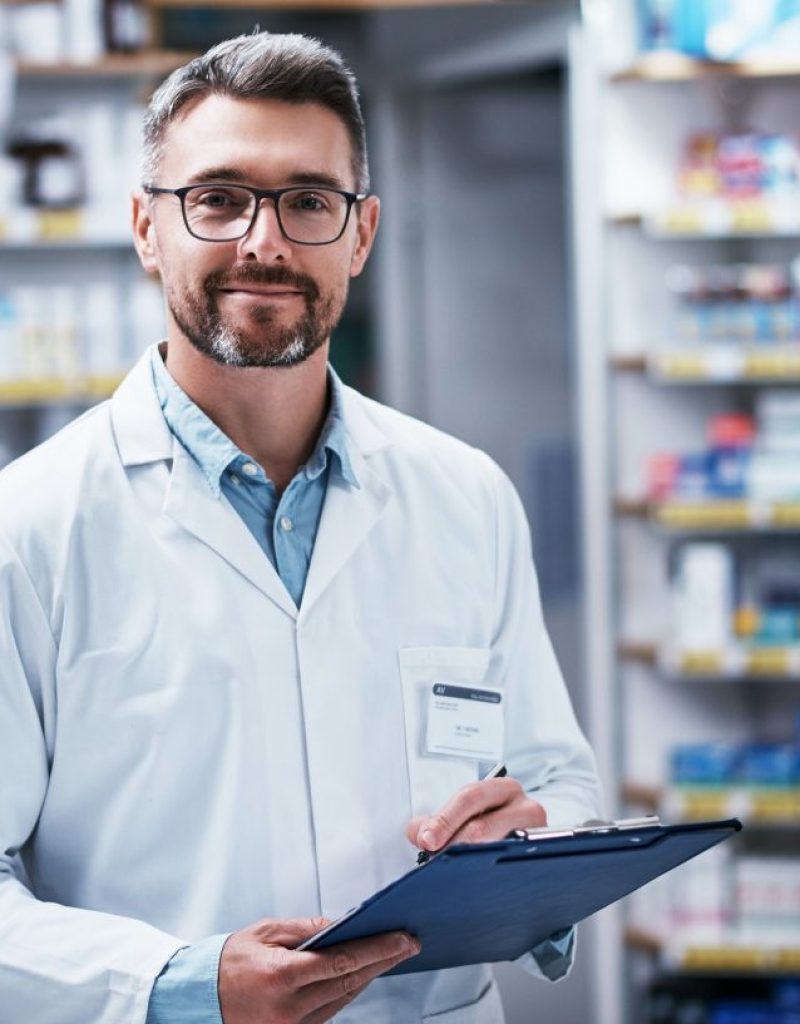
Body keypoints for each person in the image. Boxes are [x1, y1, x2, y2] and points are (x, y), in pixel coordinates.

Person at [0, 31, 602, 1024]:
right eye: (218, 198)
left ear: (360, 235)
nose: (264, 243)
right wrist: (176, 984)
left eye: (308, 201)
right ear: (147, 229)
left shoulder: (464, 495)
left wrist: (531, 841)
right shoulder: (30, 527)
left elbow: (554, 778)